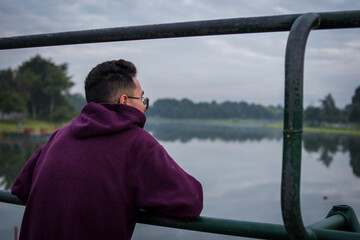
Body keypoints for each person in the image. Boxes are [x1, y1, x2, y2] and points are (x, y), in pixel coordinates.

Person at [11, 59, 203, 240]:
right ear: (124, 101)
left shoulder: (59, 135)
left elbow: (20, 188)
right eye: (142, 99)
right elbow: (189, 203)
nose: (144, 107)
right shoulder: (138, 143)